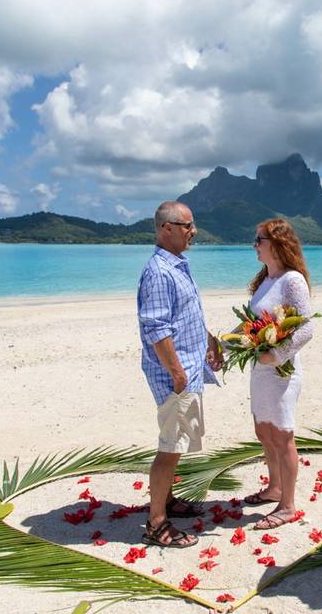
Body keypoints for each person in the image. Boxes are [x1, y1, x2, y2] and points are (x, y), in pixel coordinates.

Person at [138, 201, 224, 548]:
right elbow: (157, 327)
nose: (194, 231)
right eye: (187, 226)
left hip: (187, 367)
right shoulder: (159, 271)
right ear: (165, 229)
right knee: (171, 446)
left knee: (179, 440)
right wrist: (176, 372)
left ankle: (168, 500)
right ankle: (157, 522)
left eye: (193, 224)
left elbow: (186, 315)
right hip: (177, 374)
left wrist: (210, 340)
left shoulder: (177, 266)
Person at [241, 218, 314, 530]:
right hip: (260, 370)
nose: (255, 245)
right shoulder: (265, 281)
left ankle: (287, 505)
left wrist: (277, 354)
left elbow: (306, 327)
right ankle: (274, 488)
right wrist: (224, 345)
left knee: (282, 437)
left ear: (277, 244)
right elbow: (251, 324)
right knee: (264, 431)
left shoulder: (292, 281)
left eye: (259, 240)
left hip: (282, 373)